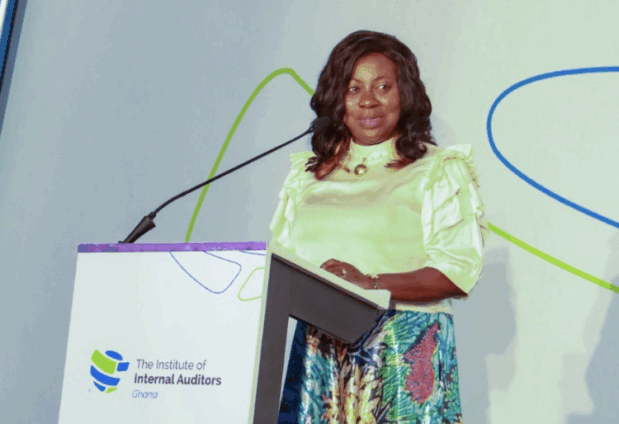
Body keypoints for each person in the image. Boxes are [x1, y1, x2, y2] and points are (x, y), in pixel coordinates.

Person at [270, 30, 488, 424]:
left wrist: (370, 284)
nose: (368, 100)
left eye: (383, 87)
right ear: (337, 99)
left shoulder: (438, 169)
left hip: (401, 348)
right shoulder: (306, 176)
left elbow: (457, 272)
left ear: (406, 93)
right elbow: (281, 268)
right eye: (353, 89)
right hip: (320, 352)